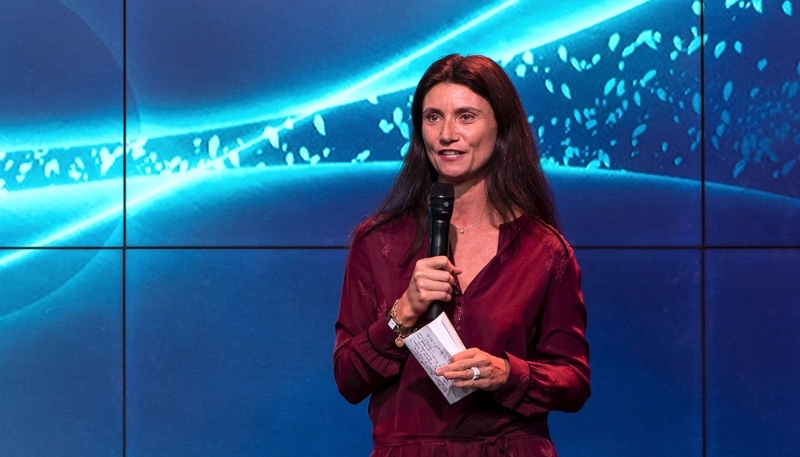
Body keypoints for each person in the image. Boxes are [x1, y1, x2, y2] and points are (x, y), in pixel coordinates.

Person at [333, 54, 590, 456]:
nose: (446, 134)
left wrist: (507, 372)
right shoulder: (378, 241)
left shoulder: (544, 251)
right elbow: (347, 378)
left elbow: (573, 381)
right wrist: (403, 312)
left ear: (501, 127)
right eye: (433, 117)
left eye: (466, 117)